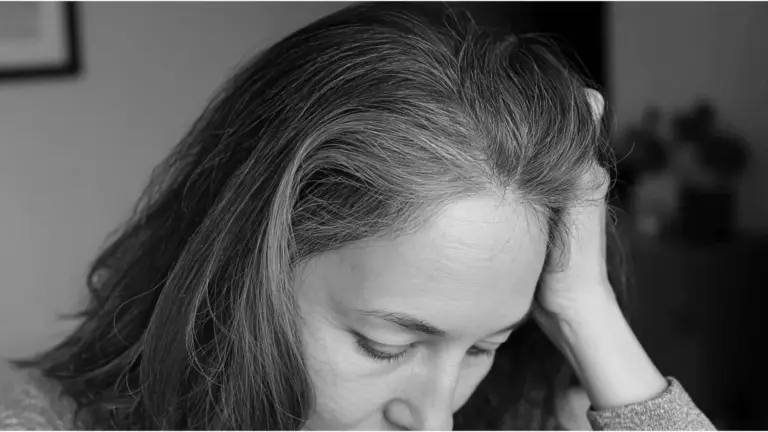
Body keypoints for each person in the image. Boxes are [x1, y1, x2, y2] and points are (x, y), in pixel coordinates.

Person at [0, 3, 715, 430]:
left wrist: (588, 311)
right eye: (384, 345)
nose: (435, 420)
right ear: (248, 262)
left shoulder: (526, 409)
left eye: (481, 347)